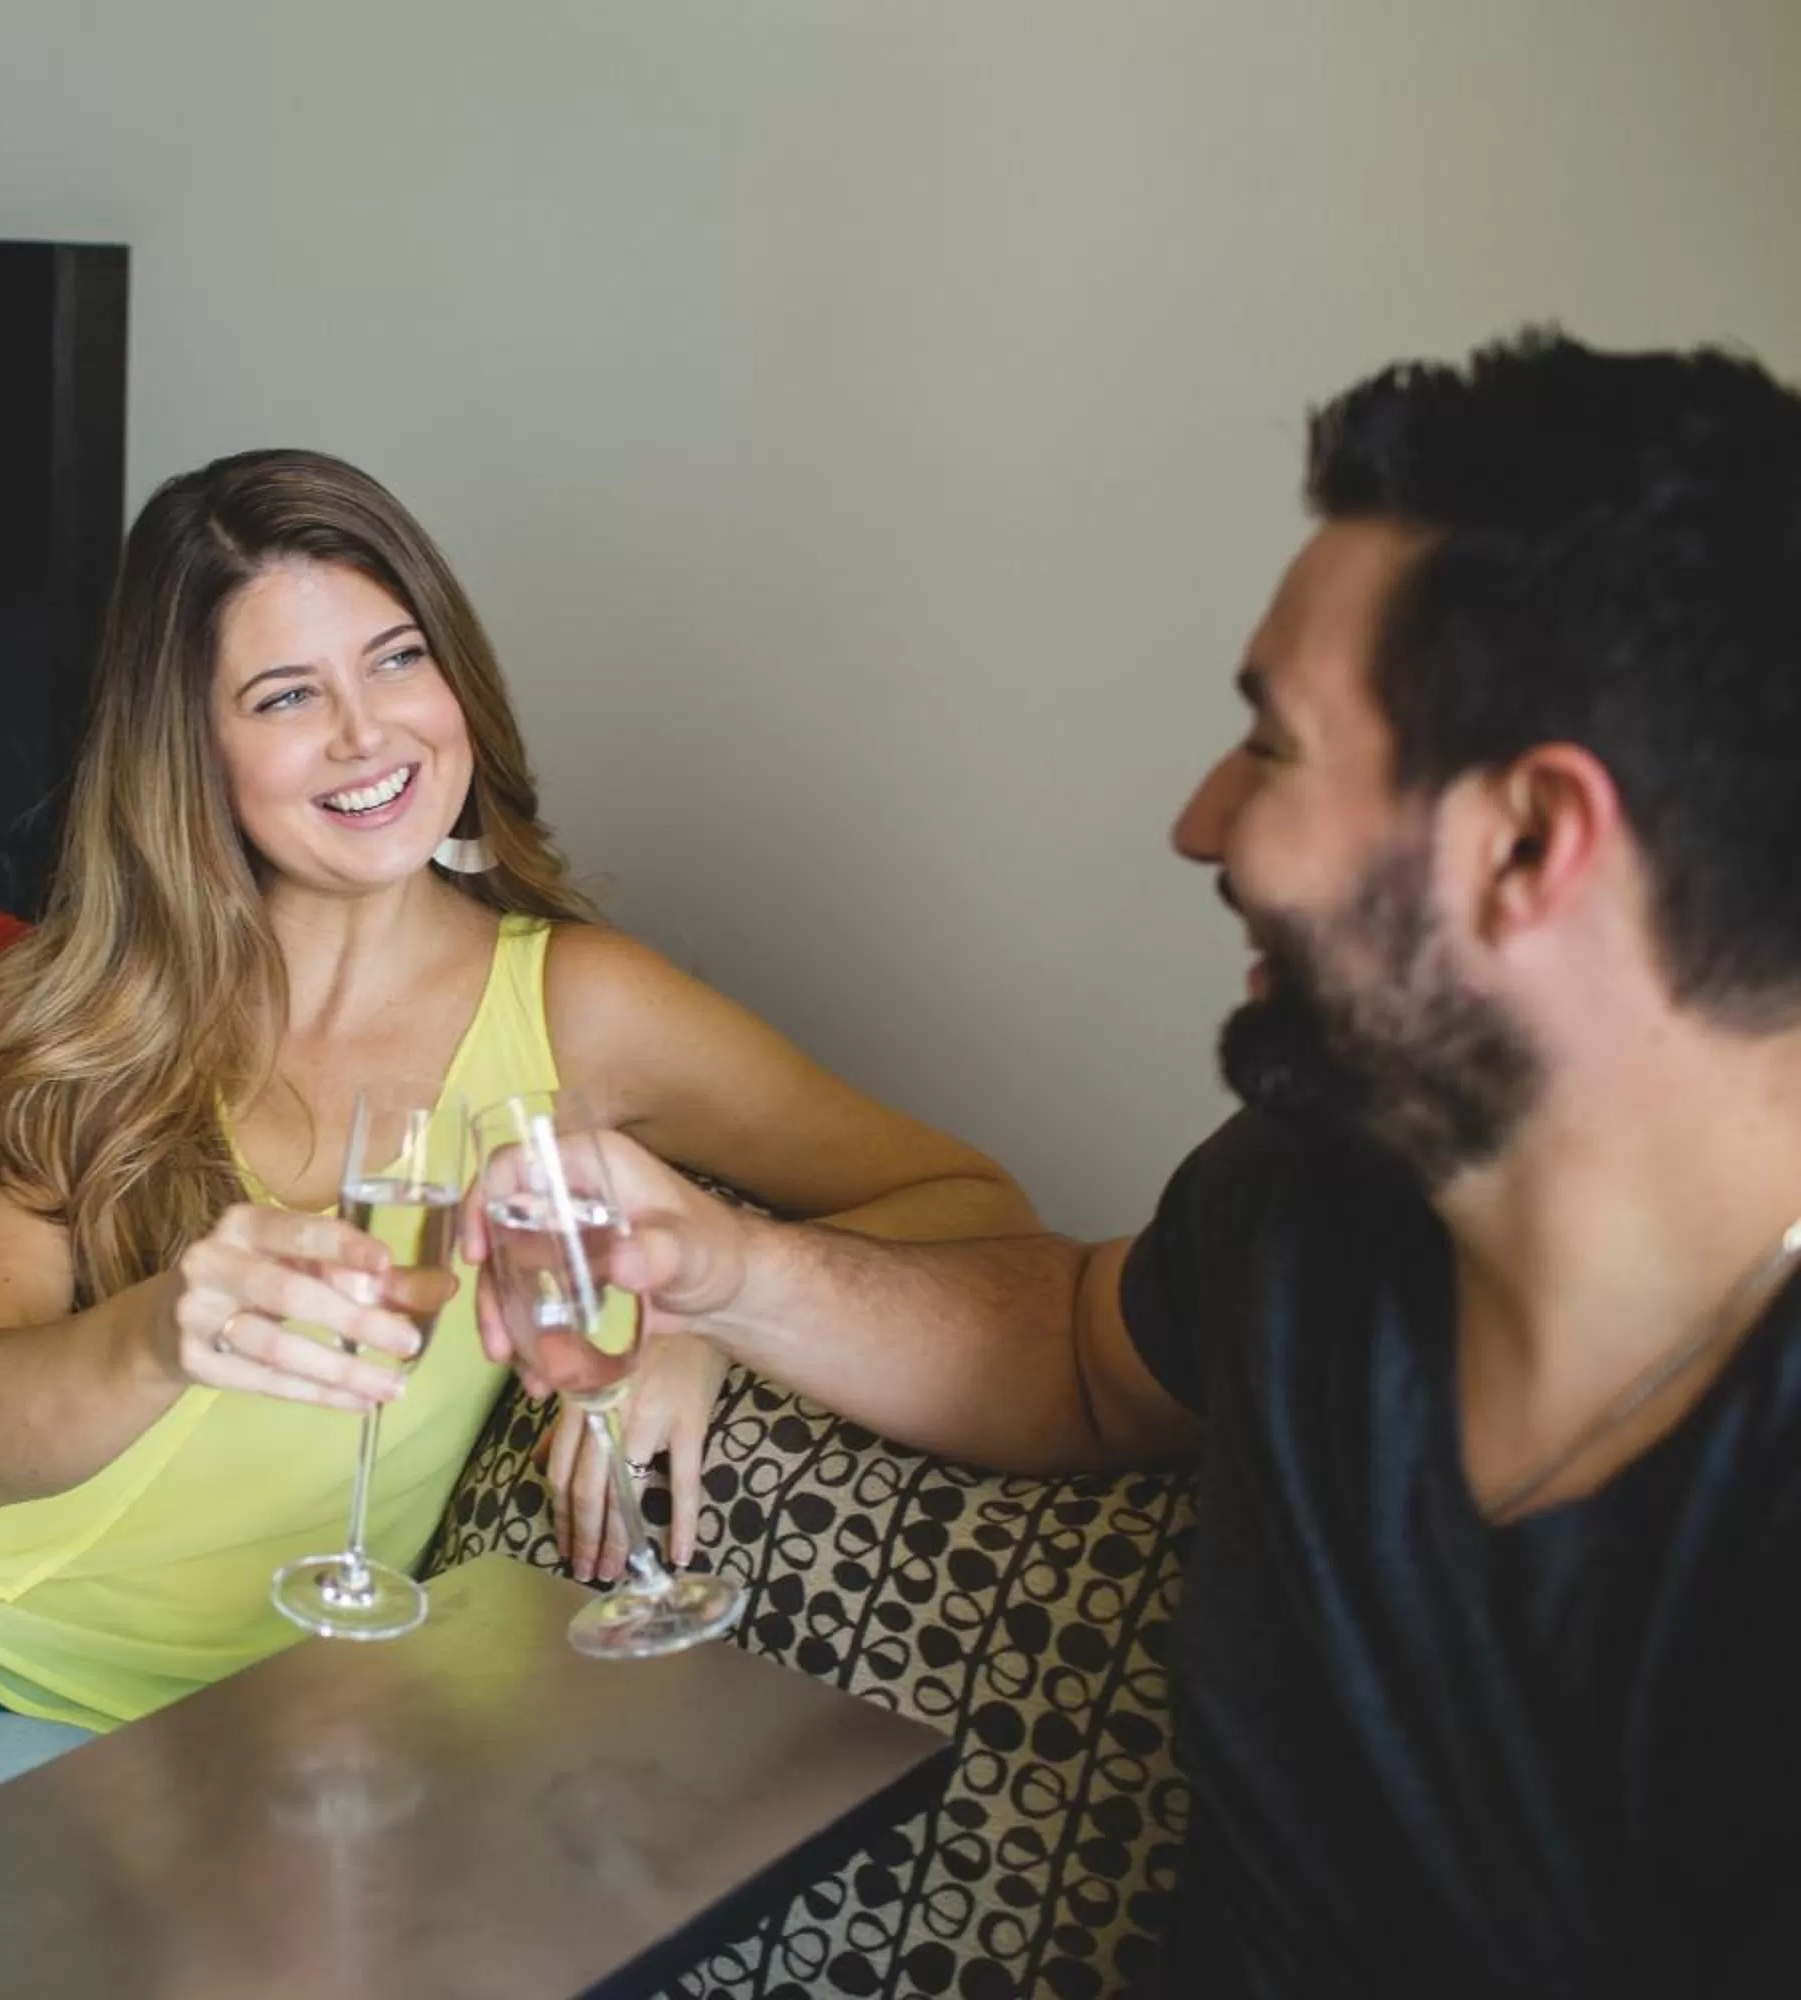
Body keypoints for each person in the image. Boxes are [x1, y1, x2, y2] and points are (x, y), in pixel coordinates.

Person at [0, 446, 1038, 1996]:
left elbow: (968, 1205)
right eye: (286, 694)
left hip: (191, 1680)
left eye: (398, 659)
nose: (369, 736)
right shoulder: (80, 1012)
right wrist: (165, 1328)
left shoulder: (587, 1013)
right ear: (195, 745)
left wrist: (693, 1318)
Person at [505, 331, 1801, 1997]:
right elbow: (1069, 1356)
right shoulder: (1323, 1186)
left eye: (1270, 747)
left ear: (1530, 842)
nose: (1201, 821)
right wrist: (724, 1270)